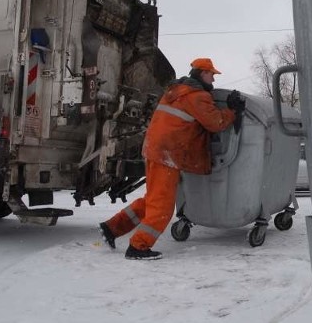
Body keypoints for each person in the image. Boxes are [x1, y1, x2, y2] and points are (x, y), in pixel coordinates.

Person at [99, 58, 246, 260]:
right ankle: (138, 247)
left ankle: (112, 228)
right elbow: (216, 123)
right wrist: (232, 110)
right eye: (212, 74)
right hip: (168, 154)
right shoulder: (197, 97)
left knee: (151, 200)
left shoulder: (176, 92)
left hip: (154, 150)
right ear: (202, 73)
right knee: (162, 208)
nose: (213, 78)